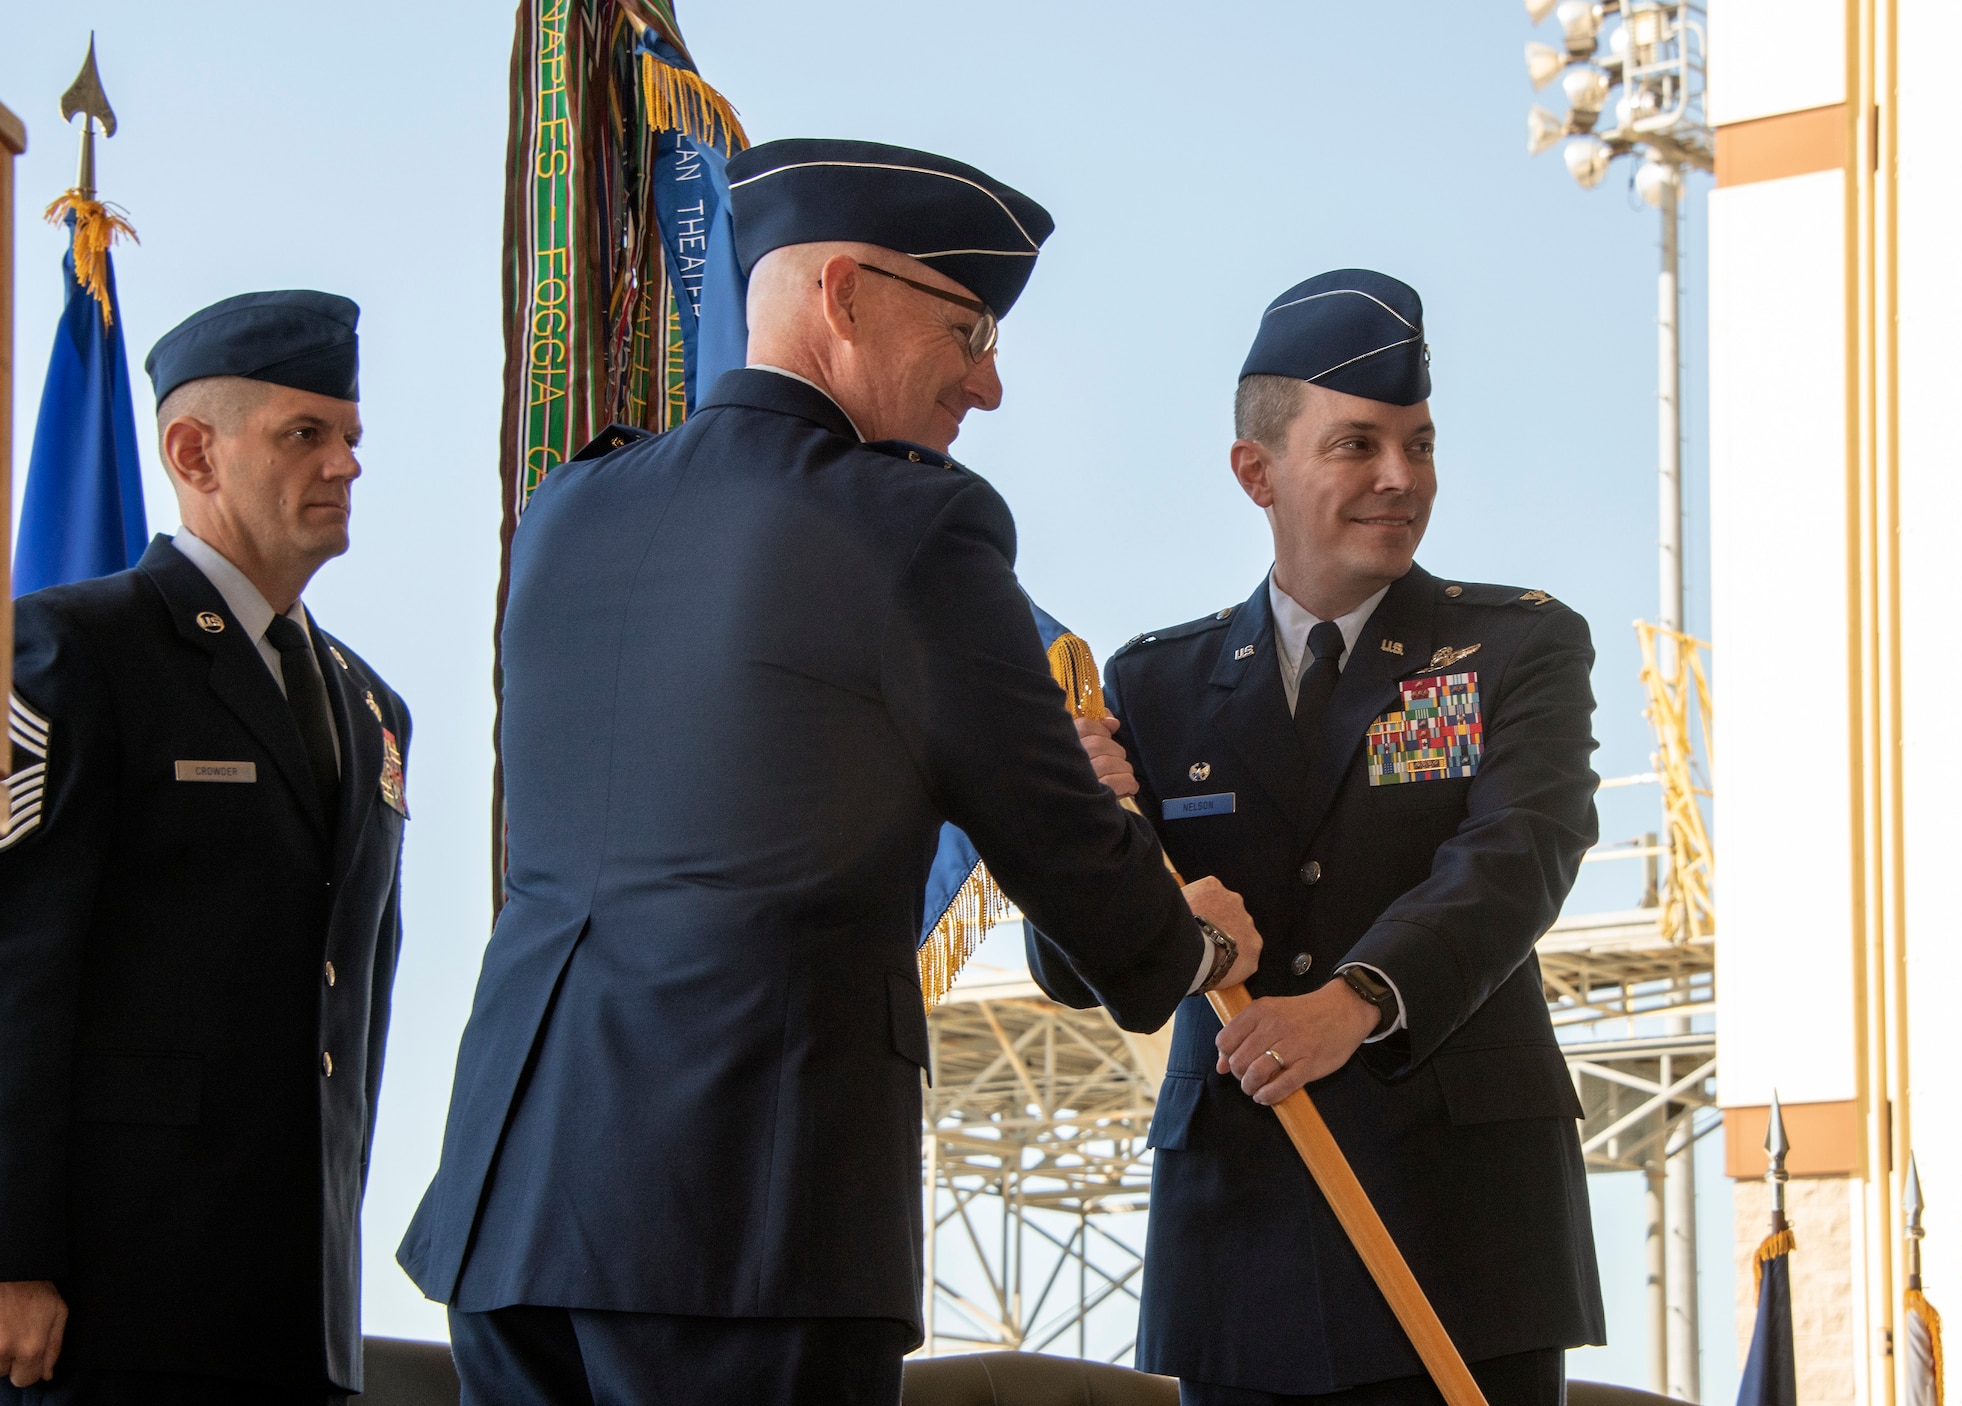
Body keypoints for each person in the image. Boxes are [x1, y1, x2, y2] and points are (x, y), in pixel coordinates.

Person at [396, 137, 1263, 1406]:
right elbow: (1061, 845)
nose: (988, 384)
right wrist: (1188, 943)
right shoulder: (911, 524)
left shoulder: (574, 509)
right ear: (844, 294)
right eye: (967, 328)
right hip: (742, 1213)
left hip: (516, 1195)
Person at [1029, 269, 1606, 1406]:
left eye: (1418, 443)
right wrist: (1076, 832)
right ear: (1257, 471)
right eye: (1356, 445)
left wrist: (1355, 1000)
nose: (1400, 478)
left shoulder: (1512, 648)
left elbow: (1517, 855)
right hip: (1240, 1237)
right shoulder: (1155, 682)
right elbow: (1077, 970)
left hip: (1461, 1232)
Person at [0, 291, 411, 1403]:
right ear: (194, 452)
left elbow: (350, 1011)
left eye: (350, 437)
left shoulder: (373, 708)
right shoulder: (76, 649)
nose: (346, 464)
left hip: (297, 1308)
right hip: (111, 1302)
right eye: (304, 434)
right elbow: (18, 965)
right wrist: (11, 1251)